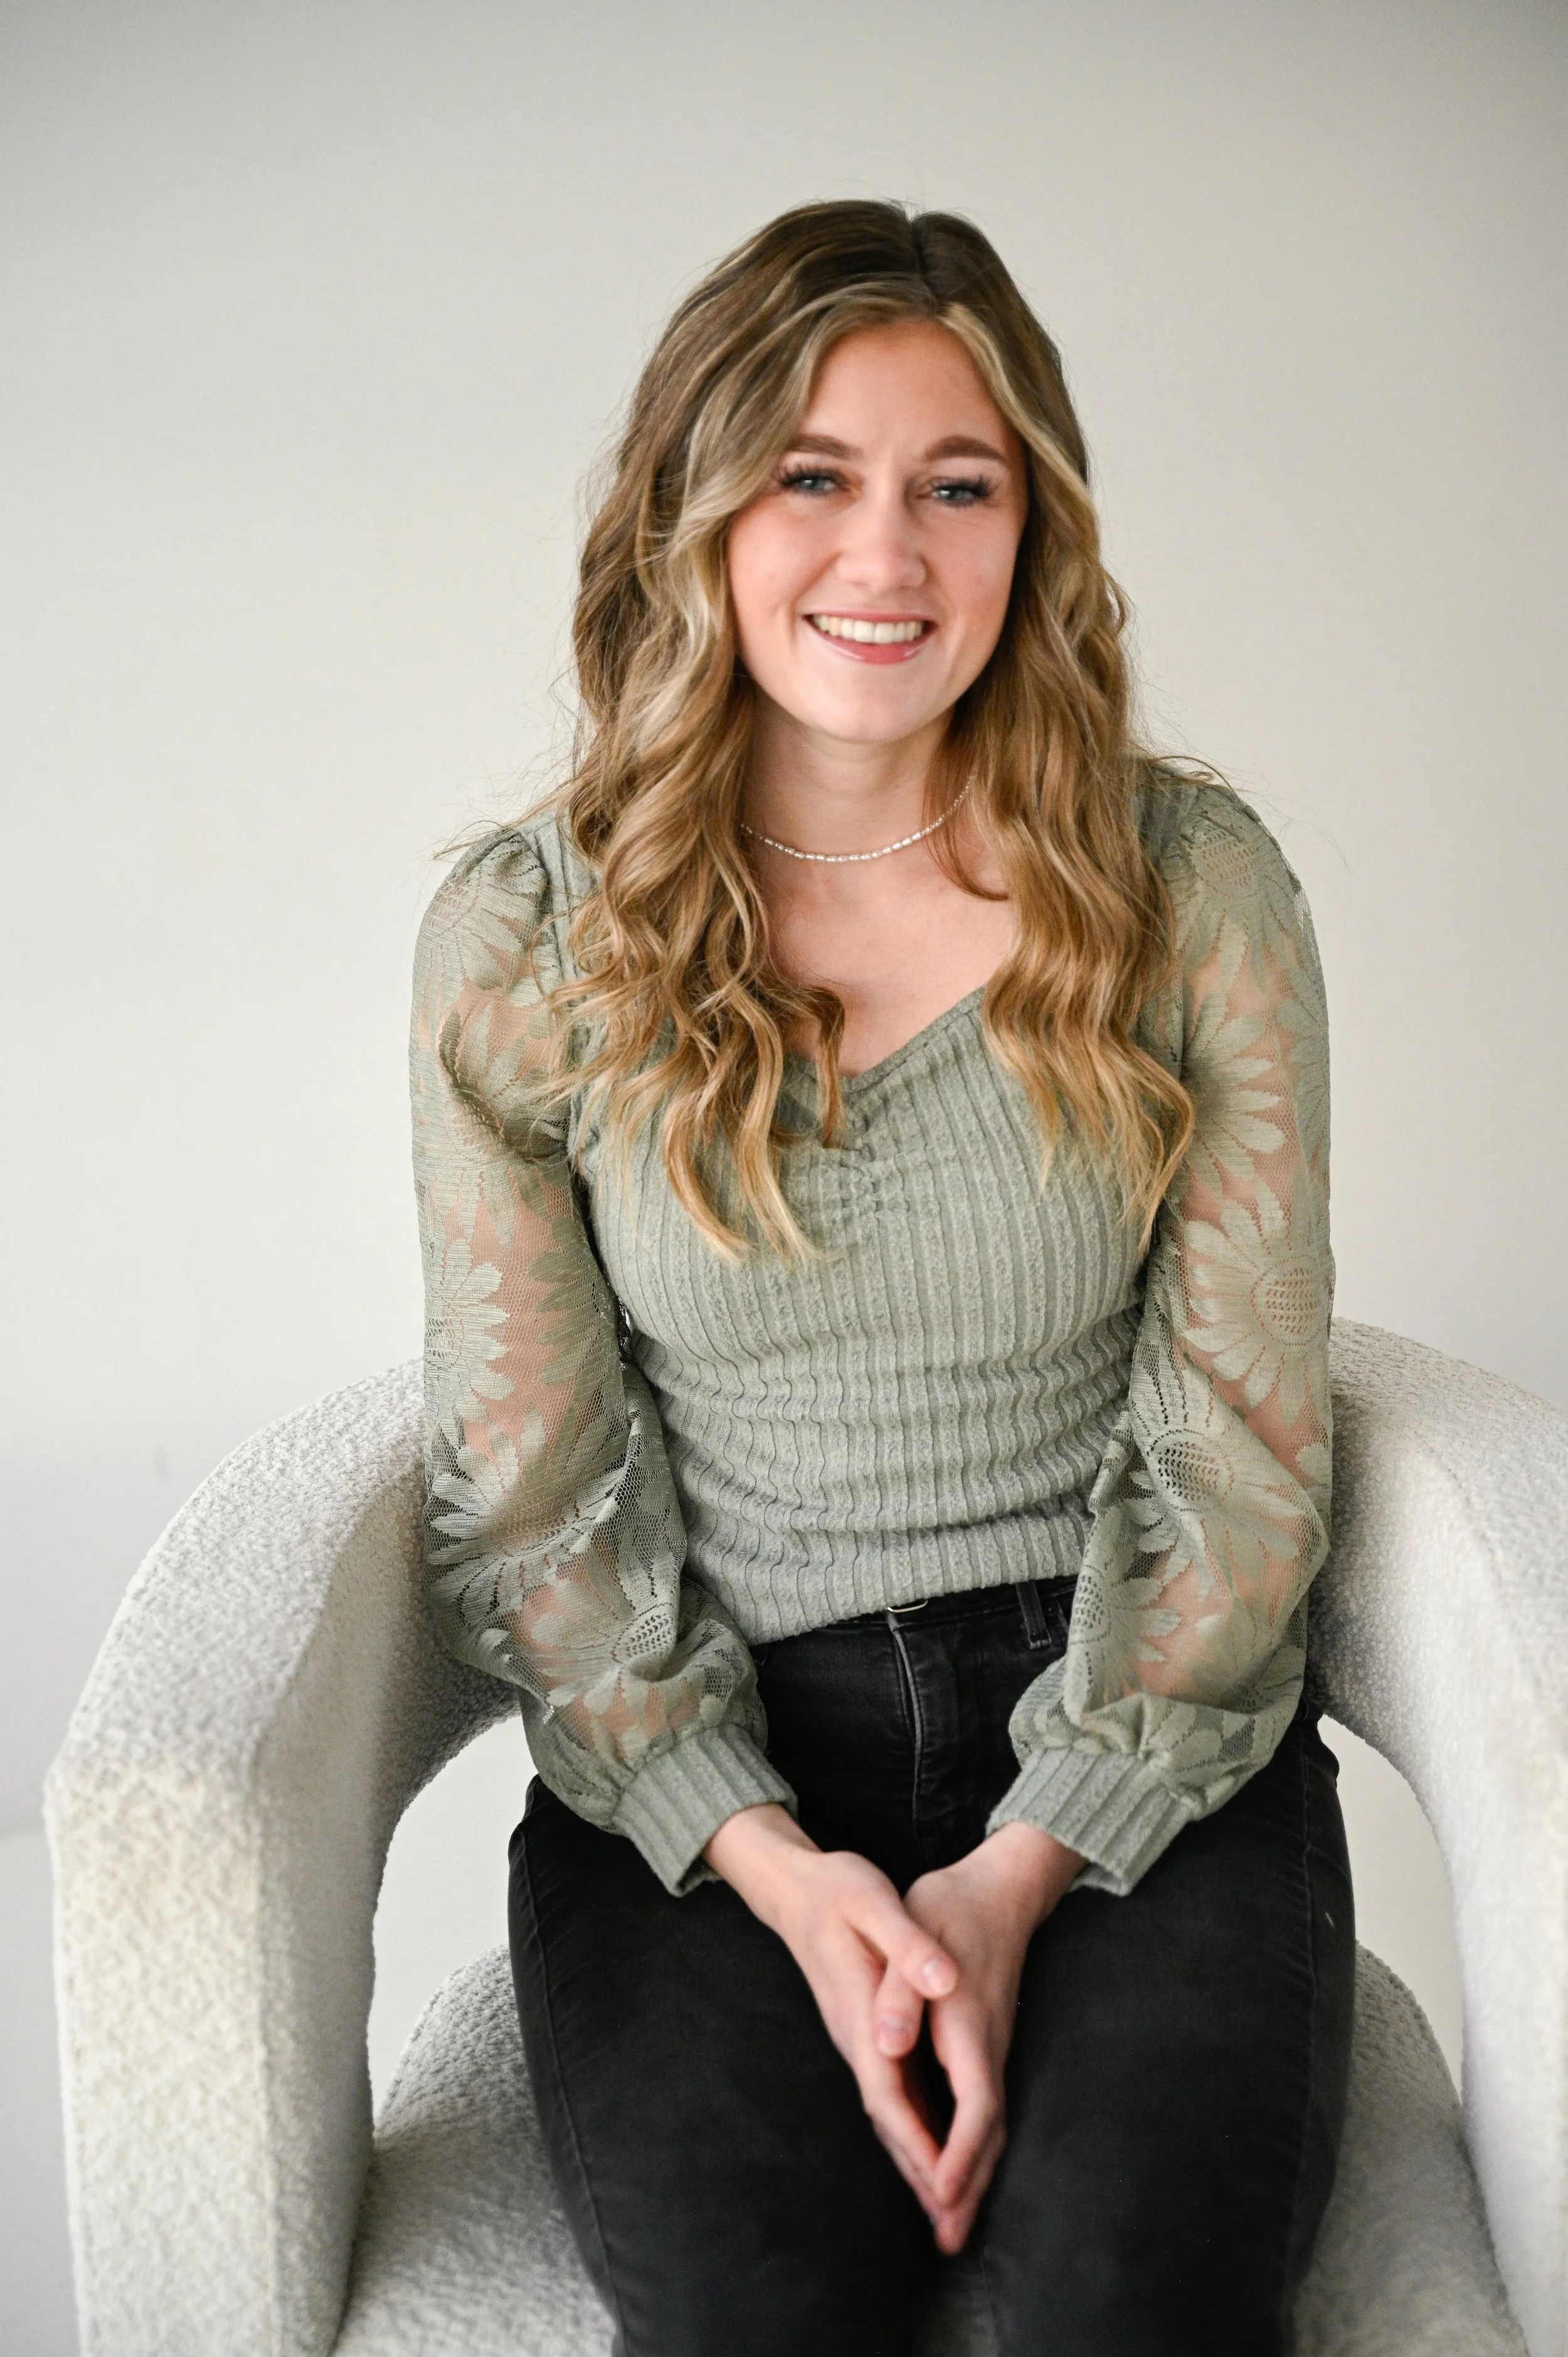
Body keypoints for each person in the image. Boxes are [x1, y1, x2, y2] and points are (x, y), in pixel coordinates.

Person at [410, 200, 1354, 2357]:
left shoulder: (1188, 889)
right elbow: (529, 1486)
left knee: (1112, 2308)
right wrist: (767, 1854)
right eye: (810, 478)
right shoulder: (526, 942)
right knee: (756, 2310)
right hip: (724, 1756)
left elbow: (1243, 1438)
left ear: (1035, 525)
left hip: (1127, 1726)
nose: (885, 556)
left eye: (958, 483)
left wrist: (1026, 1864)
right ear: (695, 513)